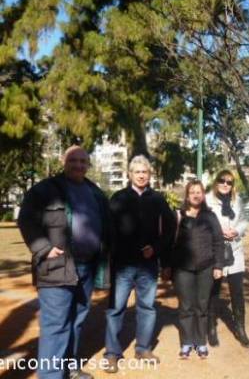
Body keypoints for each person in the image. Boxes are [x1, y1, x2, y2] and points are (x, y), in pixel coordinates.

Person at [18, 145, 110, 379]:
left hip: (87, 266)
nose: (78, 165)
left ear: (88, 164)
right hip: (56, 267)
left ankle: (69, 368)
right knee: (56, 325)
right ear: (63, 161)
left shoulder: (95, 192)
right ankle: (50, 375)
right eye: (73, 160)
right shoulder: (45, 189)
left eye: (82, 161)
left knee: (77, 320)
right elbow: (26, 219)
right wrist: (43, 248)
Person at [103, 155, 176, 373]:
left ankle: (143, 348)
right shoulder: (118, 198)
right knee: (116, 309)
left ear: (149, 175)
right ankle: (112, 353)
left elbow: (170, 229)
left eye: (145, 172)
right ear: (129, 174)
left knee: (147, 307)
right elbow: (108, 231)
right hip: (122, 265)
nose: (141, 175)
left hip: (148, 265)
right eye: (137, 172)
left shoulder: (158, 199)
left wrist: (156, 248)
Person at [170, 180, 225, 359]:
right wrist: (166, 266)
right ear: (187, 195)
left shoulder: (210, 216)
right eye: (192, 192)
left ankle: (201, 342)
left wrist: (218, 265)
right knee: (186, 307)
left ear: (203, 195)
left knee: (202, 306)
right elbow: (168, 243)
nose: (195, 195)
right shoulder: (178, 215)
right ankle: (186, 342)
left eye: (199, 192)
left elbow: (218, 242)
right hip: (182, 268)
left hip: (206, 268)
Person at [205, 170, 249, 348]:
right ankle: (211, 328)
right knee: (213, 291)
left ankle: (240, 329)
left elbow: (245, 219)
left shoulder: (237, 201)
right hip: (215, 253)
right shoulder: (208, 201)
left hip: (235, 252)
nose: (225, 184)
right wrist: (219, 231)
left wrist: (237, 231)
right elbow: (205, 222)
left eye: (229, 182)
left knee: (237, 293)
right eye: (222, 181)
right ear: (216, 182)